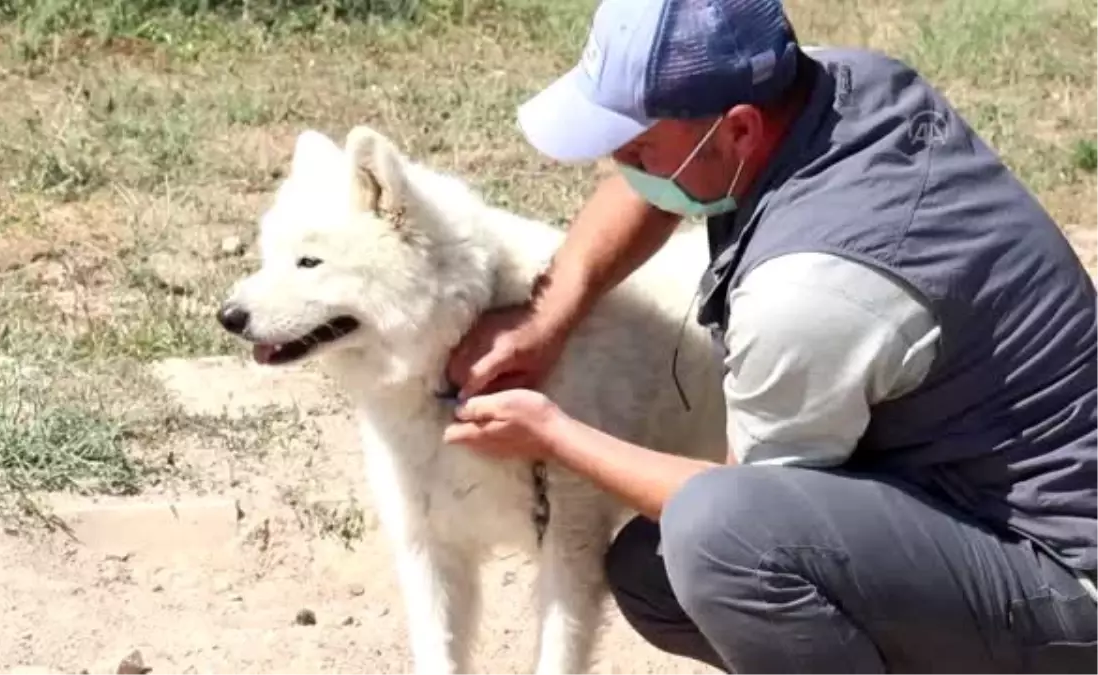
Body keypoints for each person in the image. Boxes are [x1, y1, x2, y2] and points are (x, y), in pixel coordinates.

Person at [439, 0, 1098, 673]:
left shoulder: (808, 290)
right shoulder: (839, 89)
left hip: (1066, 583)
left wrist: (553, 433)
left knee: (714, 544)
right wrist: (551, 312)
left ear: (738, 131)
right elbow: (654, 189)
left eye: (637, 147)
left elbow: (736, 505)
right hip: (989, 502)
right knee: (653, 569)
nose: (618, 163)